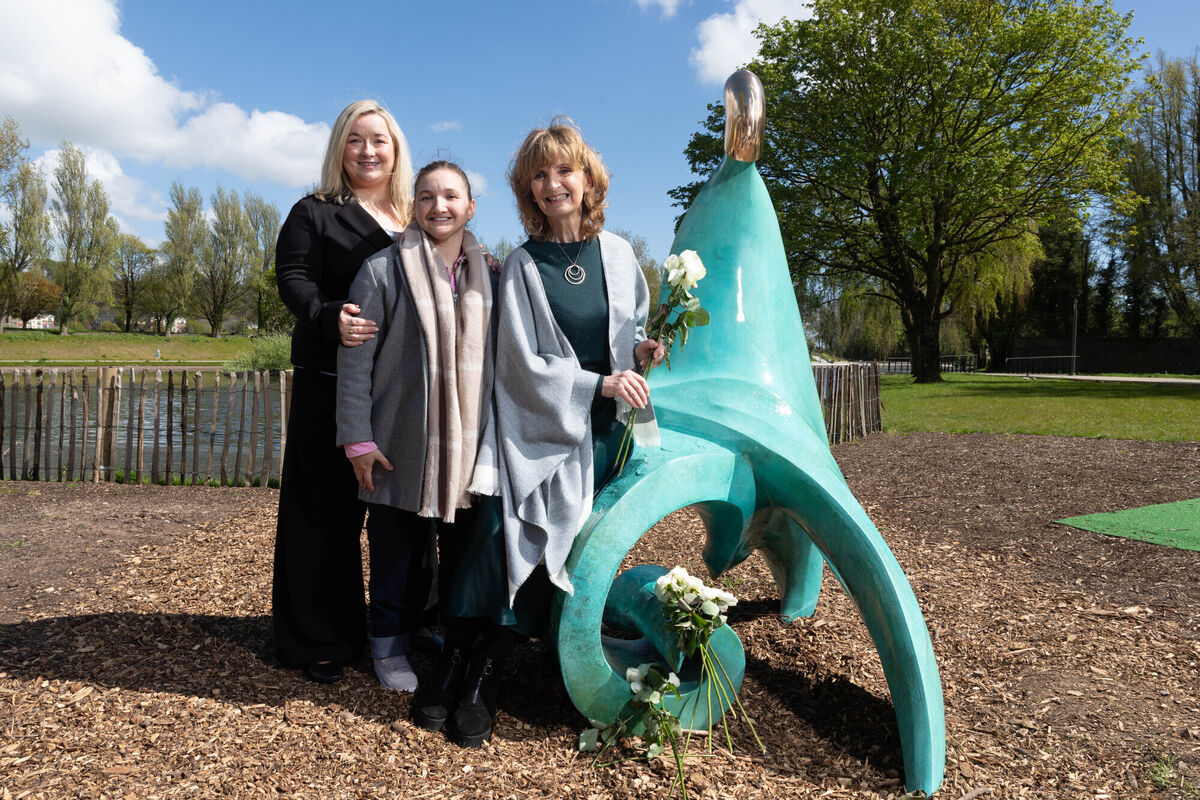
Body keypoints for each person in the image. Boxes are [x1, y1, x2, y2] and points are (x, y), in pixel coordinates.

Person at [412, 119, 664, 747]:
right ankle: (454, 659)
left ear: (587, 178)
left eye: (565, 170)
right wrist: (597, 384)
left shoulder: (620, 256)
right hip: (535, 422)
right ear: (528, 189)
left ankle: (485, 675)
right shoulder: (525, 264)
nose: (554, 184)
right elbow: (520, 364)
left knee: (527, 524)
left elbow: (624, 342)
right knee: (492, 519)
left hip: (597, 434)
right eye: (540, 175)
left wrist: (642, 353)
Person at [335, 161, 494, 694]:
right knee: (394, 557)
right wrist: (358, 439)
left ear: (470, 207)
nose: (438, 206)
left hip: (467, 445)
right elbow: (356, 360)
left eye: (451, 196)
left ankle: (452, 643)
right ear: (413, 207)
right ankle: (388, 649)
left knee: (462, 558)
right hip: (396, 441)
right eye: (426, 196)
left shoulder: (491, 277)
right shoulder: (382, 270)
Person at [273, 100, 413, 684]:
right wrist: (327, 316)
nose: (367, 151)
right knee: (322, 514)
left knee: (399, 515)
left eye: (378, 140)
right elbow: (293, 279)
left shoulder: (413, 214)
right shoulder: (315, 212)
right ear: (340, 148)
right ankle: (316, 639)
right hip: (331, 383)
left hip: (401, 391)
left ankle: (400, 625)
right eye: (354, 140)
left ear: (395, 148)